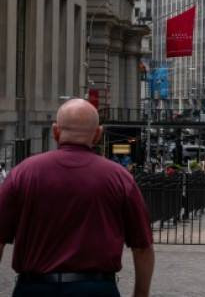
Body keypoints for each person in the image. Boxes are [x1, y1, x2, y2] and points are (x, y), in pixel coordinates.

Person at [0, 99, 154, 297]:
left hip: (35, 288)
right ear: (98, 134)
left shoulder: (24, 173)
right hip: (97, 289)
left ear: (55, 131)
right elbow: (143, 248)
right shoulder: (119, 178)